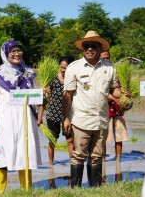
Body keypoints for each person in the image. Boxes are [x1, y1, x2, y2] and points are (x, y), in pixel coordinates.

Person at [62, 30, 121, 188]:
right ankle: (76, 189)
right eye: (86, 46)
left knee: (97, 156)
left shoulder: (109, 67)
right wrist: (66, 118)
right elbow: (67, 95)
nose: (89, 49)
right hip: (81, 119)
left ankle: (94, 189)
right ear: (83, 49)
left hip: (101, 120)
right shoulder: (74, 67)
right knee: (78, 155)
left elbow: (114, 89)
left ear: (100, 48)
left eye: (93, 45)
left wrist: (121, 93)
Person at [0, 40, 42, 194]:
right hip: (5, 120)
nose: (16, 54)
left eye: (19, 51)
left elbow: (35, 98)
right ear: (6, 53)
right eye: (13, 51)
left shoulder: (28, 72)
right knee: (2, 154)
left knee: (25, 153)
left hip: (26, 119)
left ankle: (26, 189)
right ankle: (0, 191)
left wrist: (43, 96)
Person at [37, 57, 74, 167]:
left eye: (66, 68)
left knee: (70, 140)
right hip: (53, 113)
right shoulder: (52, 79)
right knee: (52, 140)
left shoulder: (72, 80)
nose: (63, 70)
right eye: (62, 67)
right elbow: (44, 100)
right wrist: (40, 117)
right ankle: (51, 165)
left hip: (67, 114)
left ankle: (73, 164)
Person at [100, 50, 130, 183]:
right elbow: (101, 91)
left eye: (108, 57)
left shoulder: (115, 71)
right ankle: (102, 160)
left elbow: (120, 88)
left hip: (117, 110)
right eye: (103, 57)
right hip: (104, 109)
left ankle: (118, 160)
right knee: (104, 138)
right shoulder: (98, 72)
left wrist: (125, 94)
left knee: (119, 136)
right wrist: (114, 97)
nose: (106, 59)